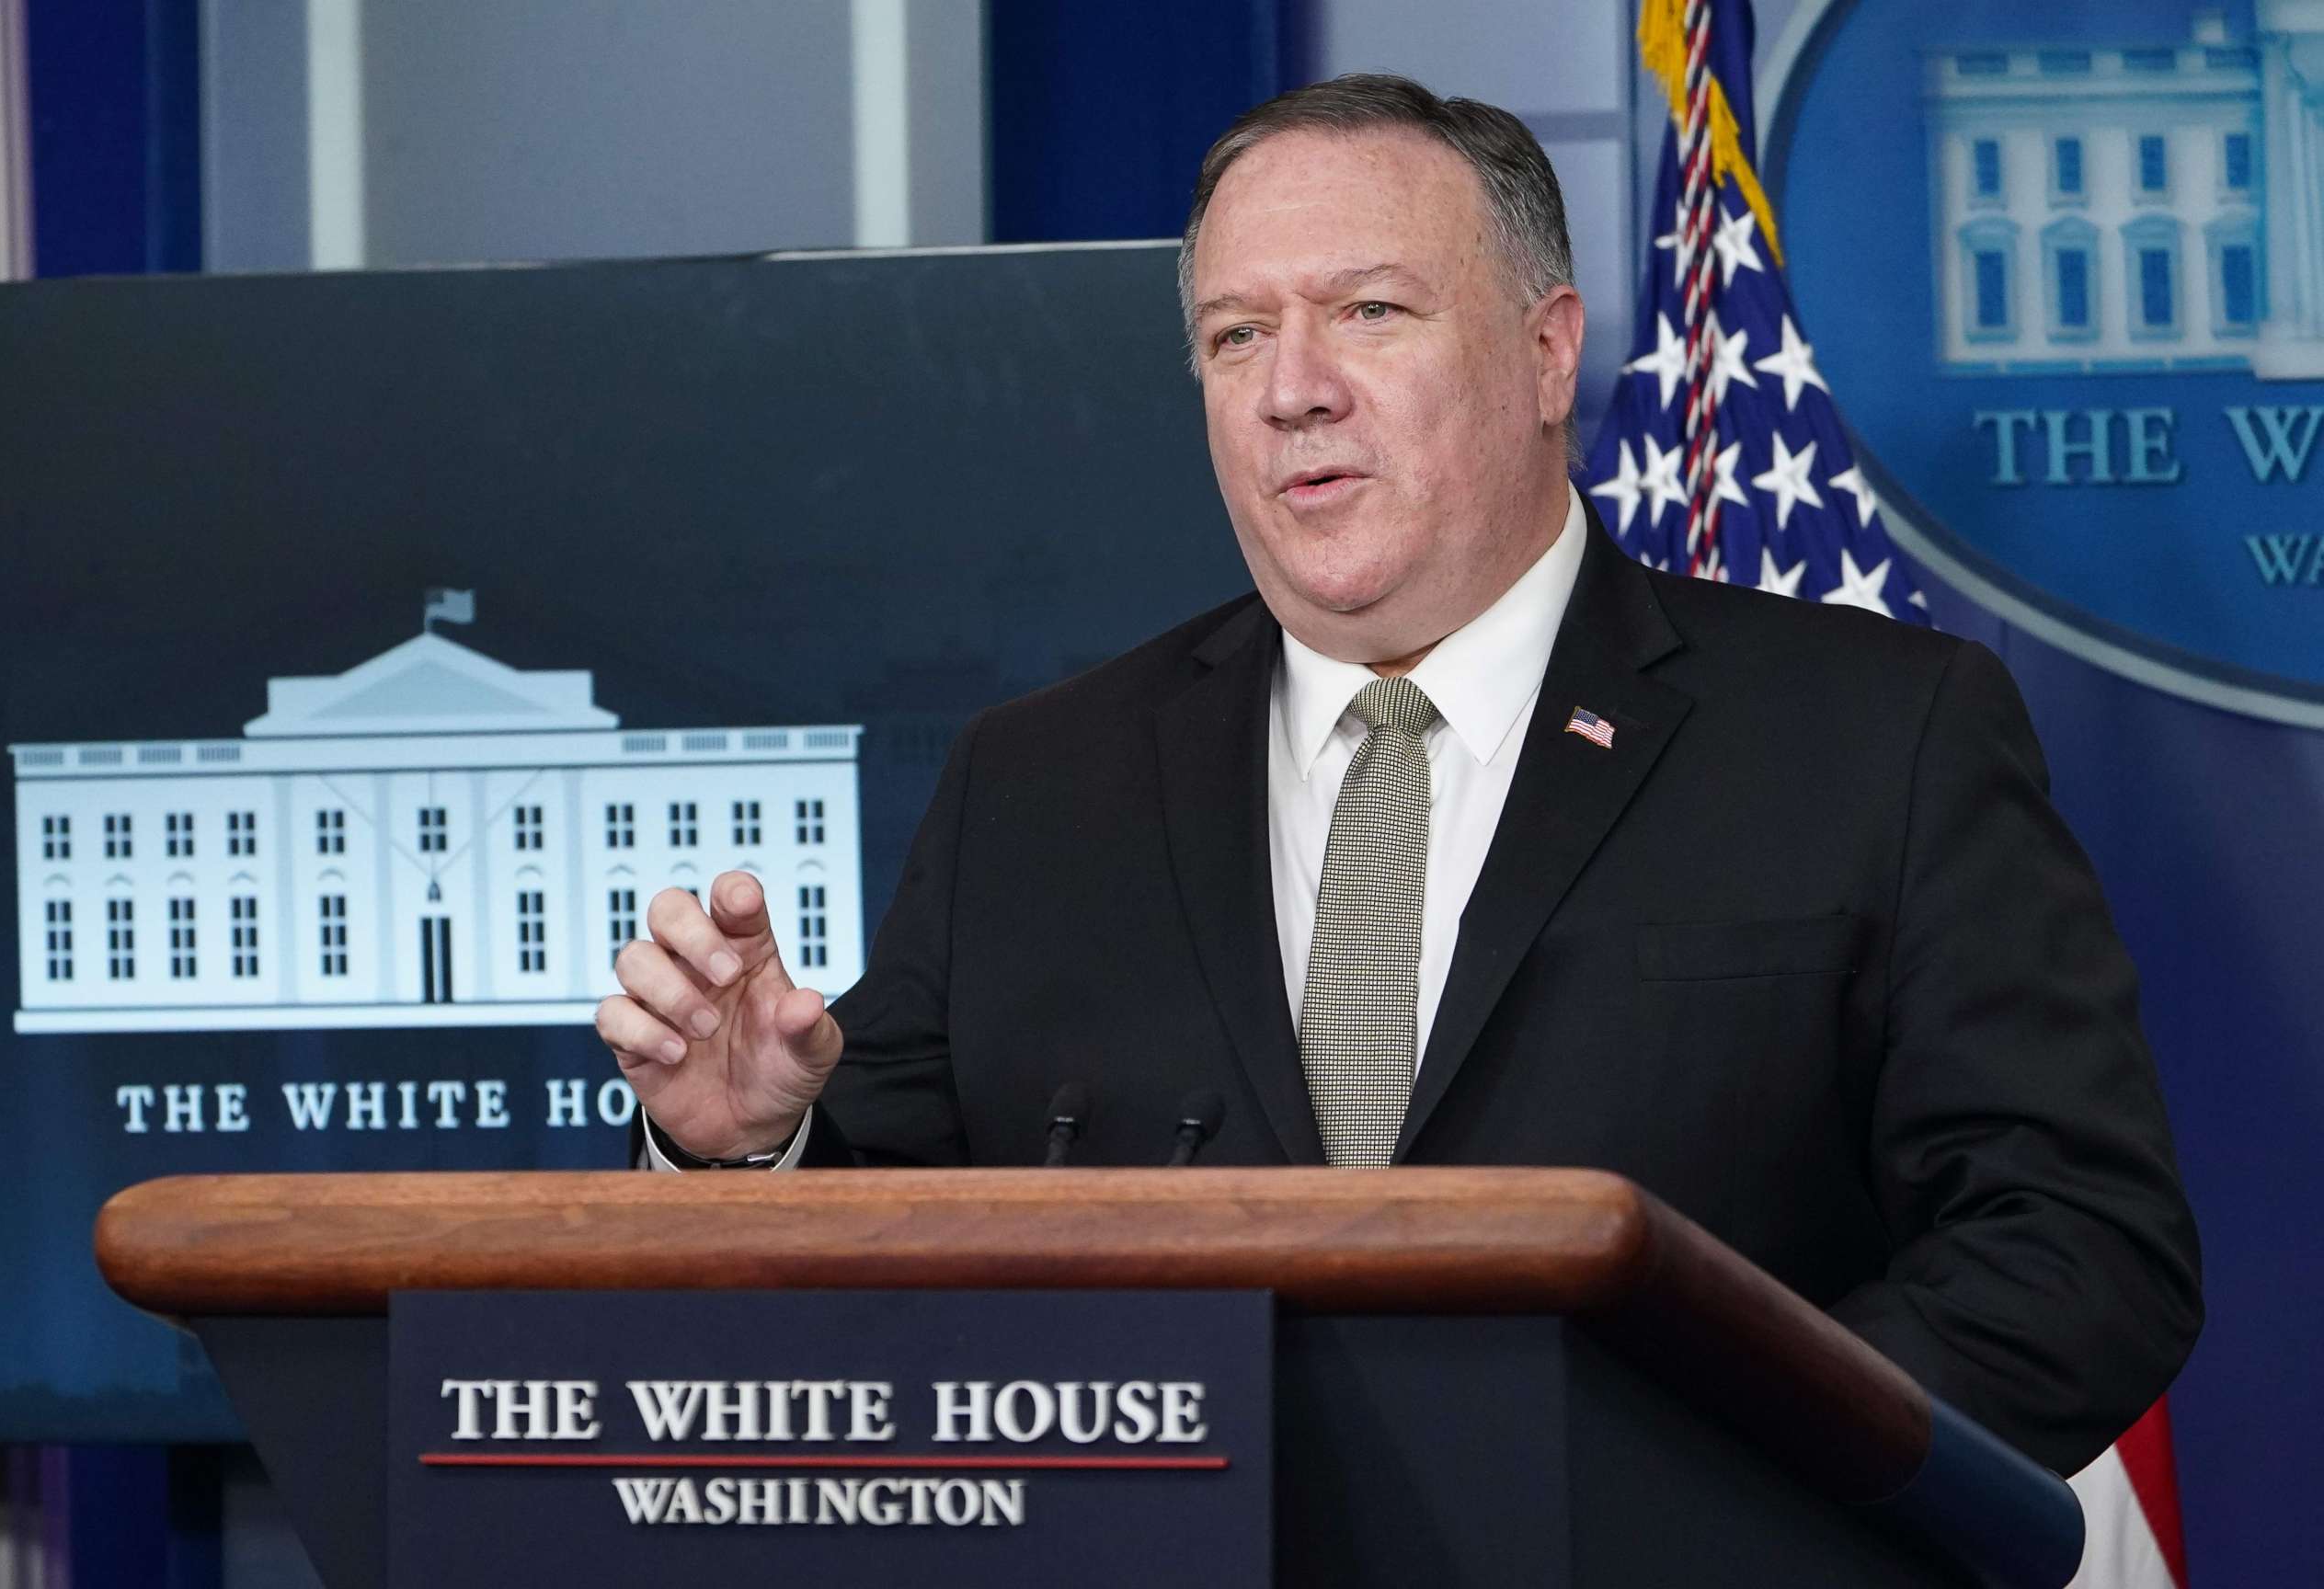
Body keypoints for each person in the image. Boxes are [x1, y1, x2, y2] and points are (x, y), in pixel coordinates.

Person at [594, 75, 2199, 1477]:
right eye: (1237, 334)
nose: (1294, 385)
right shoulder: (1040, 784)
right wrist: (746, 1154)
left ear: (1548, 348)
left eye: (1369, 310)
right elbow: (876, 1278)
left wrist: (1704, 1486)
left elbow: (2077, 1248)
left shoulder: (1872, 737)